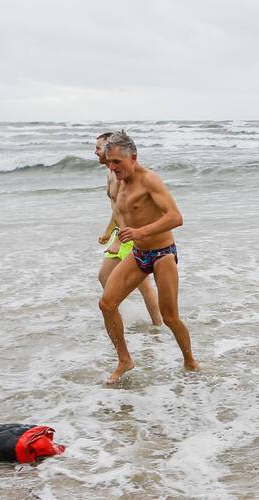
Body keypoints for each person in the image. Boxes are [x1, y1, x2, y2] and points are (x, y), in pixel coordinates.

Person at [98, 133, 198, 381]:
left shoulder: (149, 180)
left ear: (133, 158)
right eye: (109, 161)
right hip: (138, 253)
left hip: (162, 253)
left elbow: (176, 217)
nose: (112, 167)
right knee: (107, 304)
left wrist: (140, 231)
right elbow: (120, 212)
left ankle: (190, 361)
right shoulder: (118, 181)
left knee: (169, 317)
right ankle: (125, 360)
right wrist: (113, 233)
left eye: (117, 162)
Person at [94, 133, 161, 326]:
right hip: (121, 232)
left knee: (136, 283)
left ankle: (156, 324)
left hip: (132, 234)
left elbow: (131, 210)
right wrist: (109, 232)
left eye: (99, 147)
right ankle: (143, 322)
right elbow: (117, 209)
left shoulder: (124, 176)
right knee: (113, 279)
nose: (96, 152)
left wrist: (117, 240)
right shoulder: (111, 174)